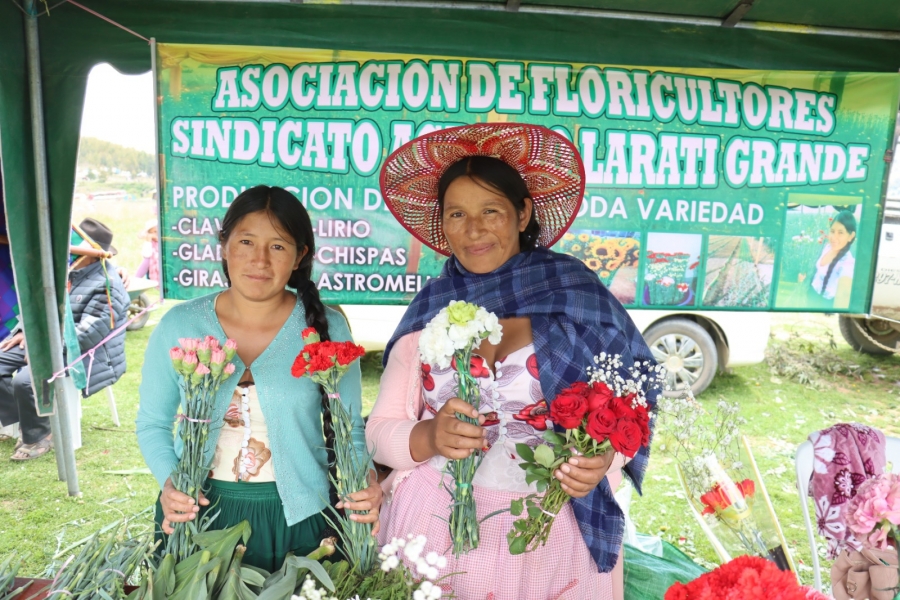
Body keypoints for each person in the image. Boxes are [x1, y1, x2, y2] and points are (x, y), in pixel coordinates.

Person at [366, 124, 658, 600]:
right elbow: (380, 431)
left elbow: (628, 415)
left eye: (491, 211)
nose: (474, 229)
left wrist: (604, 459)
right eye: (457, 214)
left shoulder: (576, 300)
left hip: (551, 530)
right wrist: (428, 435)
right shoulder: (429, 311)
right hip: (433, 532)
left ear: (523, 213)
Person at [136, 185, 382, 572]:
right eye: (246, 241)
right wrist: (172, 485)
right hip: (198, 515)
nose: (259, 260)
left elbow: (348, 430)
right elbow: (152, 423)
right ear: (223, 245)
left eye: (278, 246)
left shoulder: (327, 328)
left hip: (301, 517)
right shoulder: (180, 325)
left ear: (300, 255)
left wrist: (365, 481)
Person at [0, 218, 129, 461]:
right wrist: (22, 332)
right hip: (45, 341)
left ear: (91, 255)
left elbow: (90, 333)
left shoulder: (108, 284)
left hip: (80, 351)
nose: (64, 251)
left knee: (26, 381)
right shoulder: (62, 271)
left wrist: (44, 346)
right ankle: (21, 421)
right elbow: (35, 307)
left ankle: (39, 435)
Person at [798, 210, 857, 309]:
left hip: (824, 304)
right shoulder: (827, 247)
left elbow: (843, 296)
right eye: (832, 231)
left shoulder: (848, 263)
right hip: (811, 294)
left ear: (851, 236)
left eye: (840, 233)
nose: (834, 237)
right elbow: (818, 271)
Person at [134, 218, 160, 282]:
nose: (156, 234)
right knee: (147, 260)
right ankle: (137, 279)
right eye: (153, 232)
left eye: (158, 231)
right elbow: (146, 255)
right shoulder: (151, 243)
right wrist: (148, 240)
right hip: (153, 266)